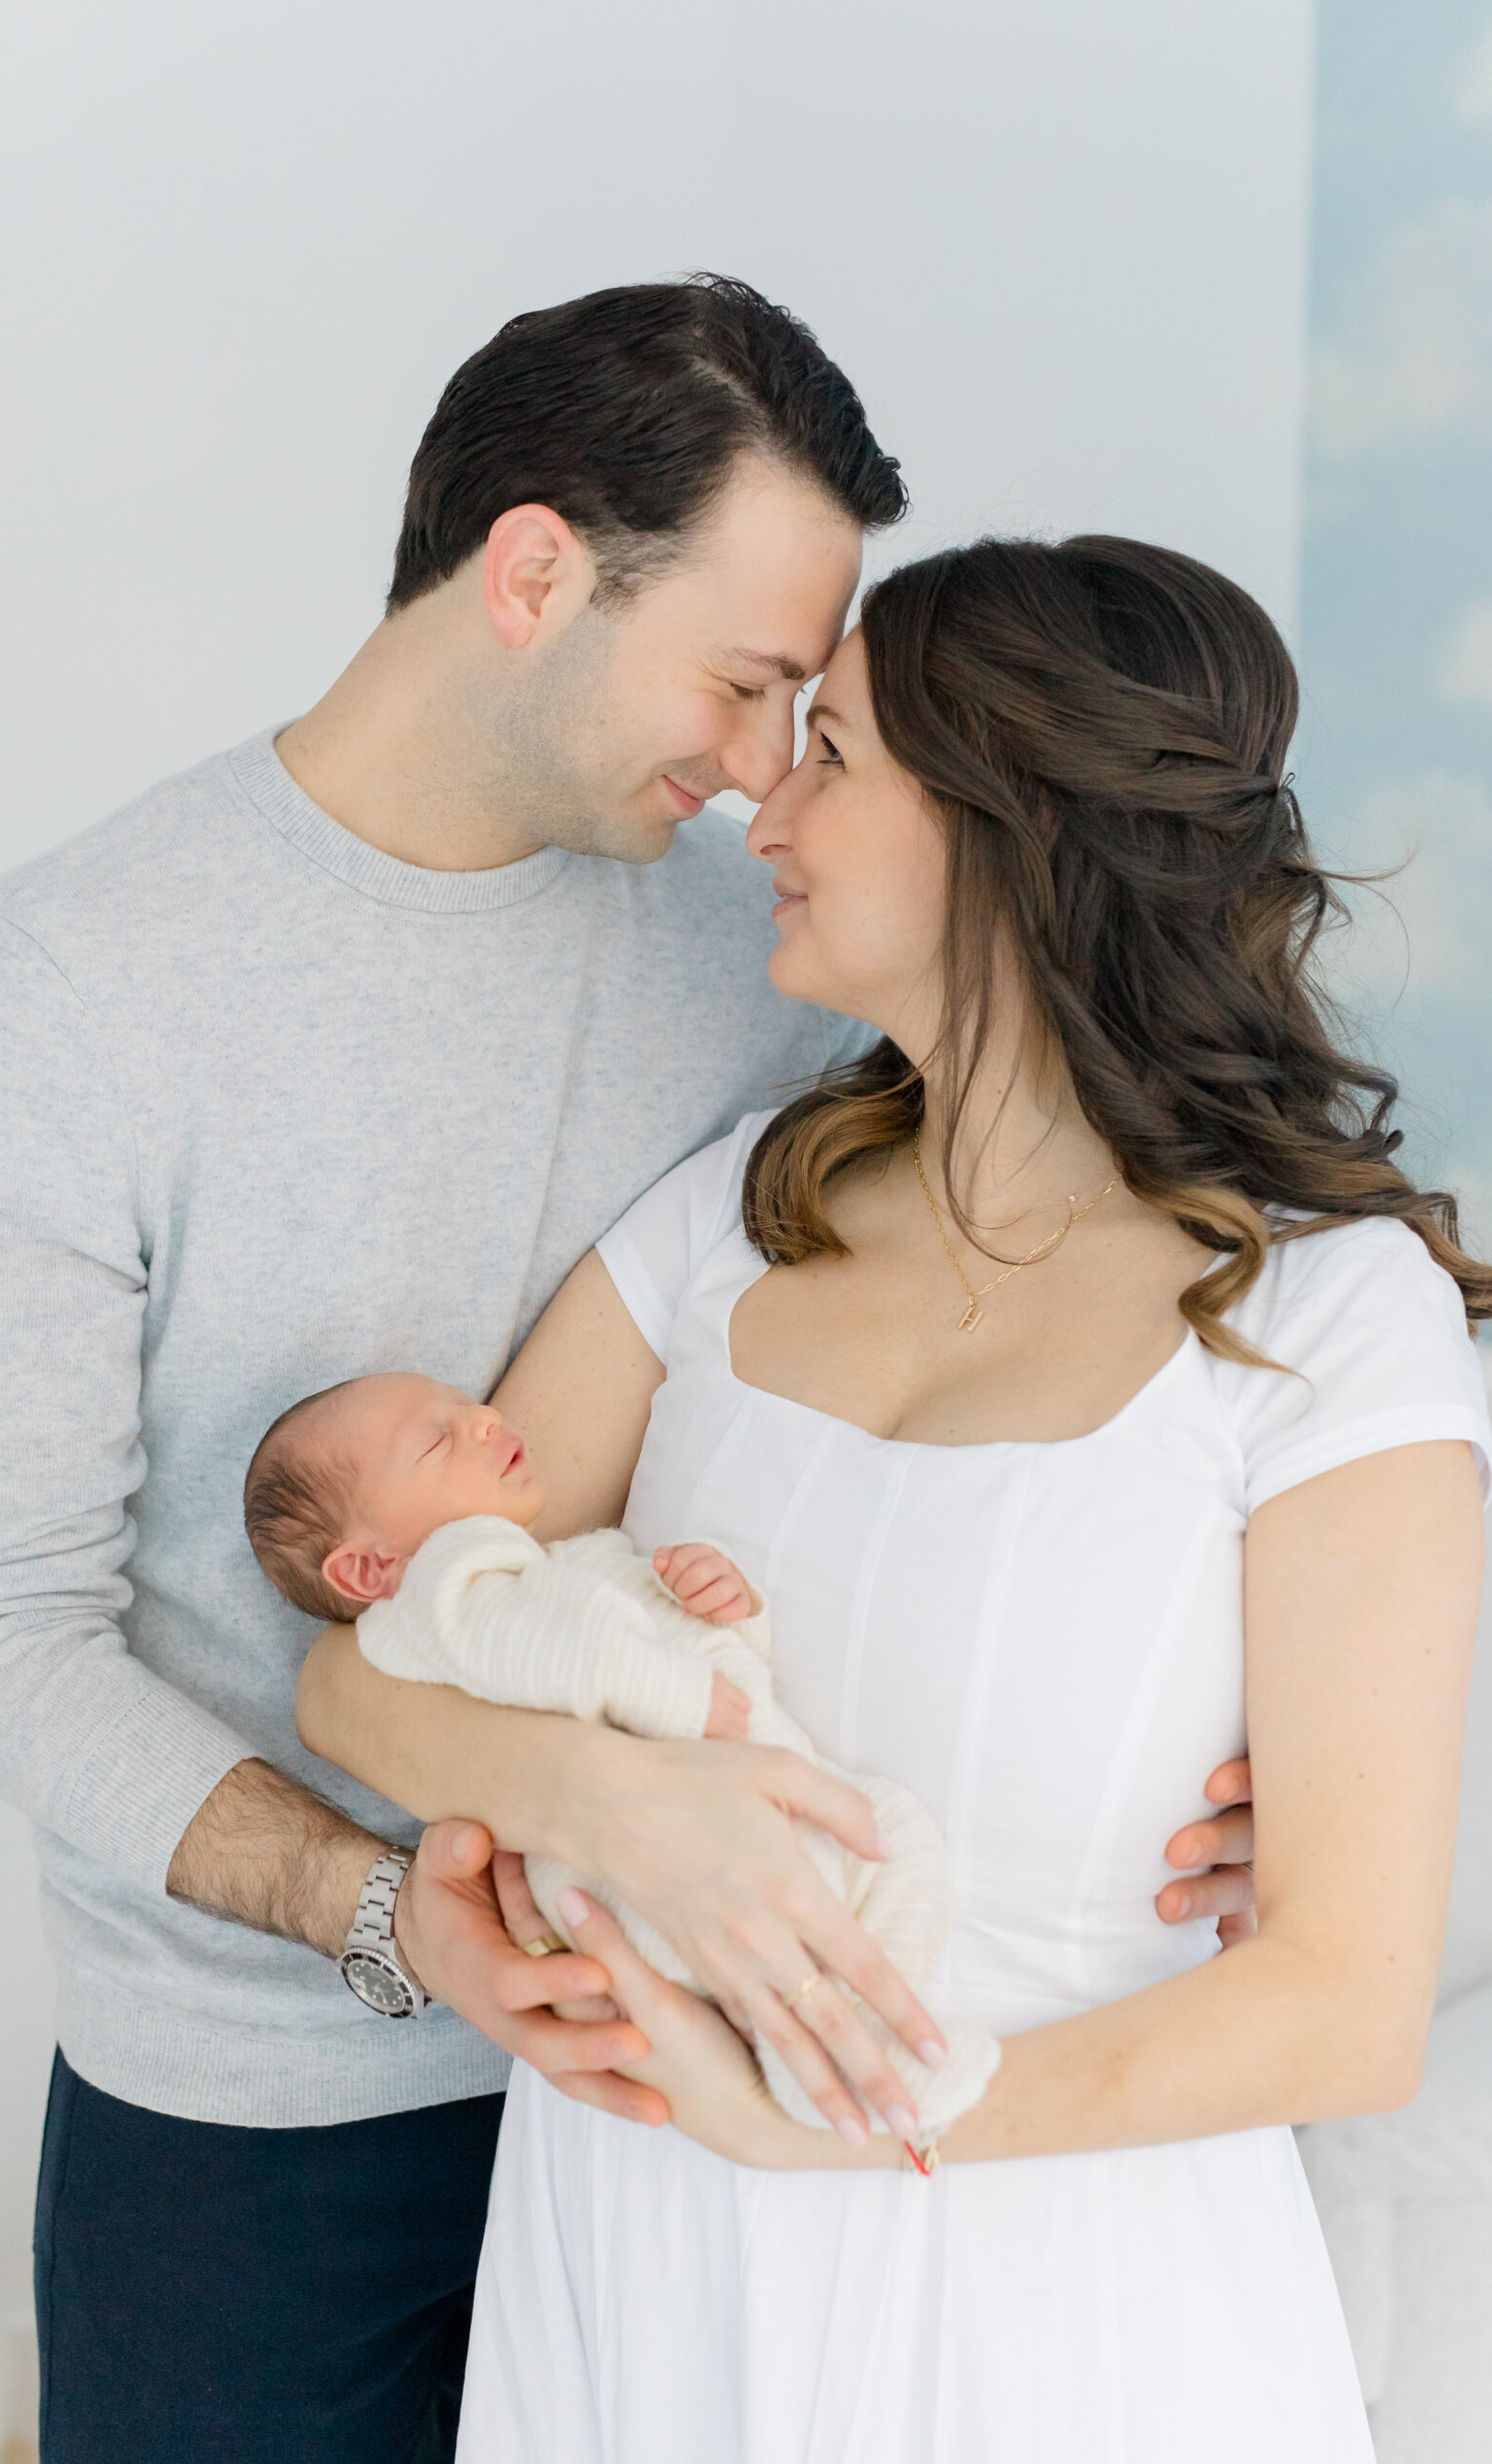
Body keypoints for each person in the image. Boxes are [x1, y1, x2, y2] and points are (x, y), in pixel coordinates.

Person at [297, 536, 1491, 2463]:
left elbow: (1346, 2003)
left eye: (831, 748)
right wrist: (604, 1795)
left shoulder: (1325, 1317)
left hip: (1051, 2277)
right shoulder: (729, 1215)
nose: (763, 790)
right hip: (640, 2235)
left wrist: (850, 2113)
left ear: (1010, 821)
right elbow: (366, 1672)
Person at [242, 1369, 1001, 2140]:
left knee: (889, 1829)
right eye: (438, 1439)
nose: (482, 1421)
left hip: (720, 1817)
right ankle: (835, 2062)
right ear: (370, 1568)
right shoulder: (444, 1583)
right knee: (860, 1859)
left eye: (469, 1406)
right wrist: (676, 1690)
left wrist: (715, 1607)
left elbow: (676, 1662)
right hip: (639, 1874)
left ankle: (878, 2033)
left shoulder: (534, 1569)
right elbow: (544, 1652)